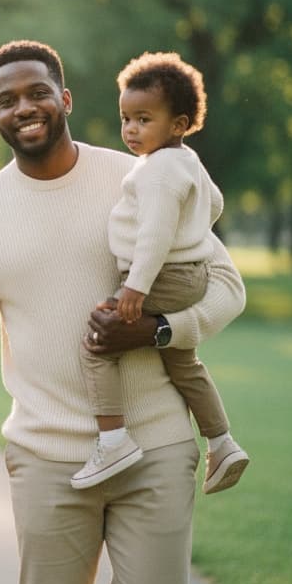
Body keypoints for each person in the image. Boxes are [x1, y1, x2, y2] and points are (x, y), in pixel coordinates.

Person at [0, 40, 245, 584]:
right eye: (8, 99)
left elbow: (225, 286)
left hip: (155, 444)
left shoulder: (144, 176)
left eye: (38, 91)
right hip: (46, 457)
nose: (26, 107)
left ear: (65, 99)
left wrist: (160, 330)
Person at [73, 51, 249, 492]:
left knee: (99, 343)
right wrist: (192, 232)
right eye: (126, 118)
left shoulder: (157, 171)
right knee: (182, 361)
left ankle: (113, 440)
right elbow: (216, 203)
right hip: (188, 273)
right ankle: (222, 441)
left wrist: (136, 286)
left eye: (144, 119)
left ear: (178, 124)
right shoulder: (186, 161)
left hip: (160, 276)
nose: (131, 129)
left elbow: (154, 234)